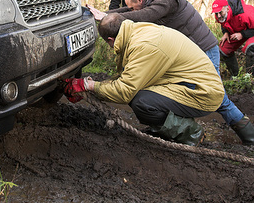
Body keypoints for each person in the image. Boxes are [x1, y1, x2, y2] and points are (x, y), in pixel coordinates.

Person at [88, 0, 254, 146]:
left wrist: (110, 19)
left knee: (218, 98)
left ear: (140, 0)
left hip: (203, 48)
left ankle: (250, 140)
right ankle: (178, 127)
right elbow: (128, 13)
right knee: (173, 91)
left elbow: (143, 15)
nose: (131, 11)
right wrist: (107, 15)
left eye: (133, 8)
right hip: (181, 52)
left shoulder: (167, 0)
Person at [64, 14, 225, 146]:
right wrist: (90, 88)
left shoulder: (144, 46)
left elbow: (124, 91)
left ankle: (191, 132)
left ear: (111, 40)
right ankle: (169, 126)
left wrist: (89, 85)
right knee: (139, 93)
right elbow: (126, 77)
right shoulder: (137, 31)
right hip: (190, 83)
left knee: (141, 101)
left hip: (203, 92)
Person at [212, 0, 254, 76]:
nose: (218, 16)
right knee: (223, 50)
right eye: (216, 13)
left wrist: (242, 34)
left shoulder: (246, 14)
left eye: (220, 12)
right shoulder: (221, 14)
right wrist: (225, 32)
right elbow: (224, 22)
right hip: (240, 28)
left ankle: (249, 78)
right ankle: (235, 75)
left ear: (227, 9)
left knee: (250, 49)